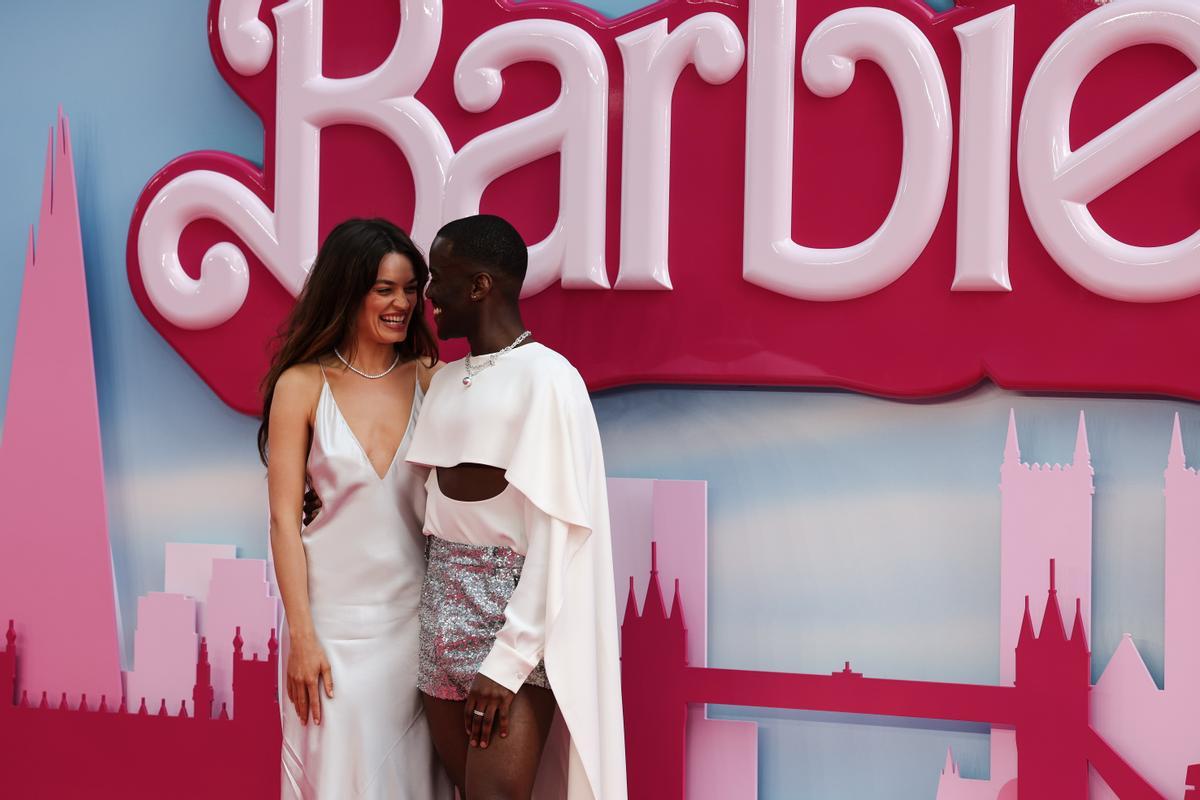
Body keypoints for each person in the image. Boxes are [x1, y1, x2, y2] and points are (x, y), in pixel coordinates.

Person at [405, 214, 627, 800]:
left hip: (512, 621)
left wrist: (508, 662)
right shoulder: (446, 381)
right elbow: (422, 508)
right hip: (439, 614)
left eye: (438, 278)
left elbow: (557, 535)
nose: (427, 295)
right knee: (464, 791)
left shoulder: (551, 380)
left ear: (480, 286)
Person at [259, 218, 449, 799]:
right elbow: (283, 524)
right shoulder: (301, 384)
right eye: (384, 289)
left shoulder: (432, 379)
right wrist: (303, 637)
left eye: (410, 288)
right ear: (348, 289)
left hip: (417, 633)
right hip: (331, 634)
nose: (401, 303)